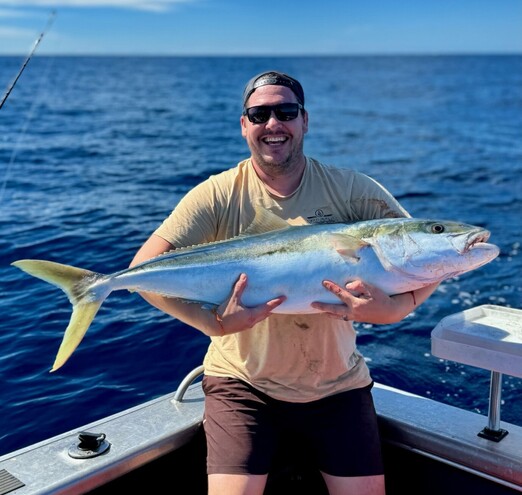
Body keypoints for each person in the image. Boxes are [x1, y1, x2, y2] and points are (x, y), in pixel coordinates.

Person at [130, 71, 438, 495]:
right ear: (244, 125)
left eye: (286, 112)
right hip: (242, 385)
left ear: (305, 120)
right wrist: (212, 323)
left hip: (337, 386)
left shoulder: (353, 189)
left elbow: (425, 255)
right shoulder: (216, 194)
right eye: (260, 114)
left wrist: (398, 308)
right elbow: (143, 272)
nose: (273, 123)